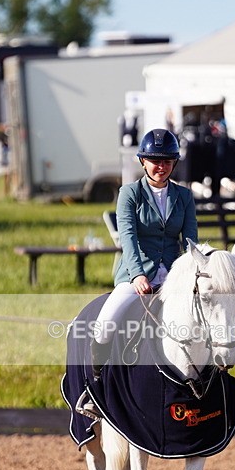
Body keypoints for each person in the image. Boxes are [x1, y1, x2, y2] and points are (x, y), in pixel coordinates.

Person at [90, 127, 198, 376]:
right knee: (105, 324)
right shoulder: (129, 193)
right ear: (143, 161)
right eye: (155, 161)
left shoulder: (184, 196)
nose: (161, 167)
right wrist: (138, 275)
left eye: (167, 162)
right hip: (137, 275)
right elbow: (127, 236)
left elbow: (191, 240)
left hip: (173, 276)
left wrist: (190, 274)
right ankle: (95, 384)